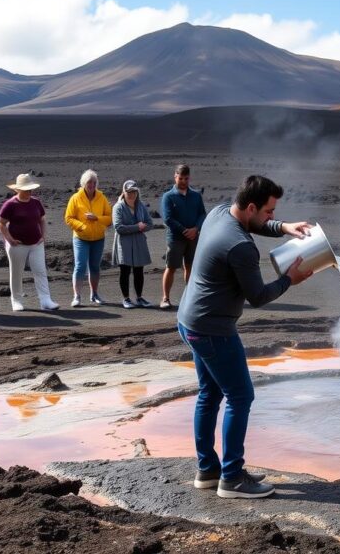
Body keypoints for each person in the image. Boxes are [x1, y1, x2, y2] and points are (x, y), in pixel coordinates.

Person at [178, 175, 314, 499]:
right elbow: (258, 296)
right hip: (213, 330)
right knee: (241, 397)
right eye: (269, 212)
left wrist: (283, 227)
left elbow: (255, 224)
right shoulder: (240, 247)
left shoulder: (220, 213)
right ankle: (233, 479)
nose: (270, 217)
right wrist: (289, 280)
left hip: (190, 320)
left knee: (209, 394)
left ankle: (208, 470)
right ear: (251, 206)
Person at [0, 173, 59, 312]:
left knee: (40, 271)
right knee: (17, 272)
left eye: (30, 190)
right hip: (17, 245)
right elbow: (1, 223)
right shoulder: (11, 204)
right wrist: (9, 239)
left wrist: (43, 235)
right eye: (26, 190)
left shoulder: (36, 202)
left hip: (36, 244)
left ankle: (45, 300)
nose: (29, 192)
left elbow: (42, 219)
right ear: (17, 190)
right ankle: (16, 300)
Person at [160, 164, 206, 309]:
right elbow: (168, 218)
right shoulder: (168, 196)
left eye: (186, 178)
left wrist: (196, 229)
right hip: (175, 238)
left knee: (190, 266)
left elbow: (202, 214)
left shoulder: (196, 196)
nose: (184, 181)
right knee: (171, 267)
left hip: (193, 238)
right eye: (181, 178)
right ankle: (165, 298)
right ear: (175, 177)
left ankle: (190, 298)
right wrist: (184, 230)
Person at [64, 169, 112, 307]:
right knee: (80, 266)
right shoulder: (75, 198)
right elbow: (68, 218)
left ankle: (94, 294)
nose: (91, 185)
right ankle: (77, 296)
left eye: (94, 182)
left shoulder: (101, 198)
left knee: (95, 267)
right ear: (83, 183)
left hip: (98, 238)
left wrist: (97, 218)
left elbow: (109, 219)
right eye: (88, 182)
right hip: (81, 238)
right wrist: (81, 226)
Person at [112, 180, 154, 308]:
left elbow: (150, 223)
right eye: (129, 192)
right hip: (123, 244)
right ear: (124, 192)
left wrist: (142, 227)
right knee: (125, 270)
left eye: (134, 191)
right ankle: (126, 299)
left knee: (139, 270)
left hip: (139, 242)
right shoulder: (118, 207)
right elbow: (119, 228)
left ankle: (139, 298)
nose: (132, 194)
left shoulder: (140, 205)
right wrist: (138, 227)